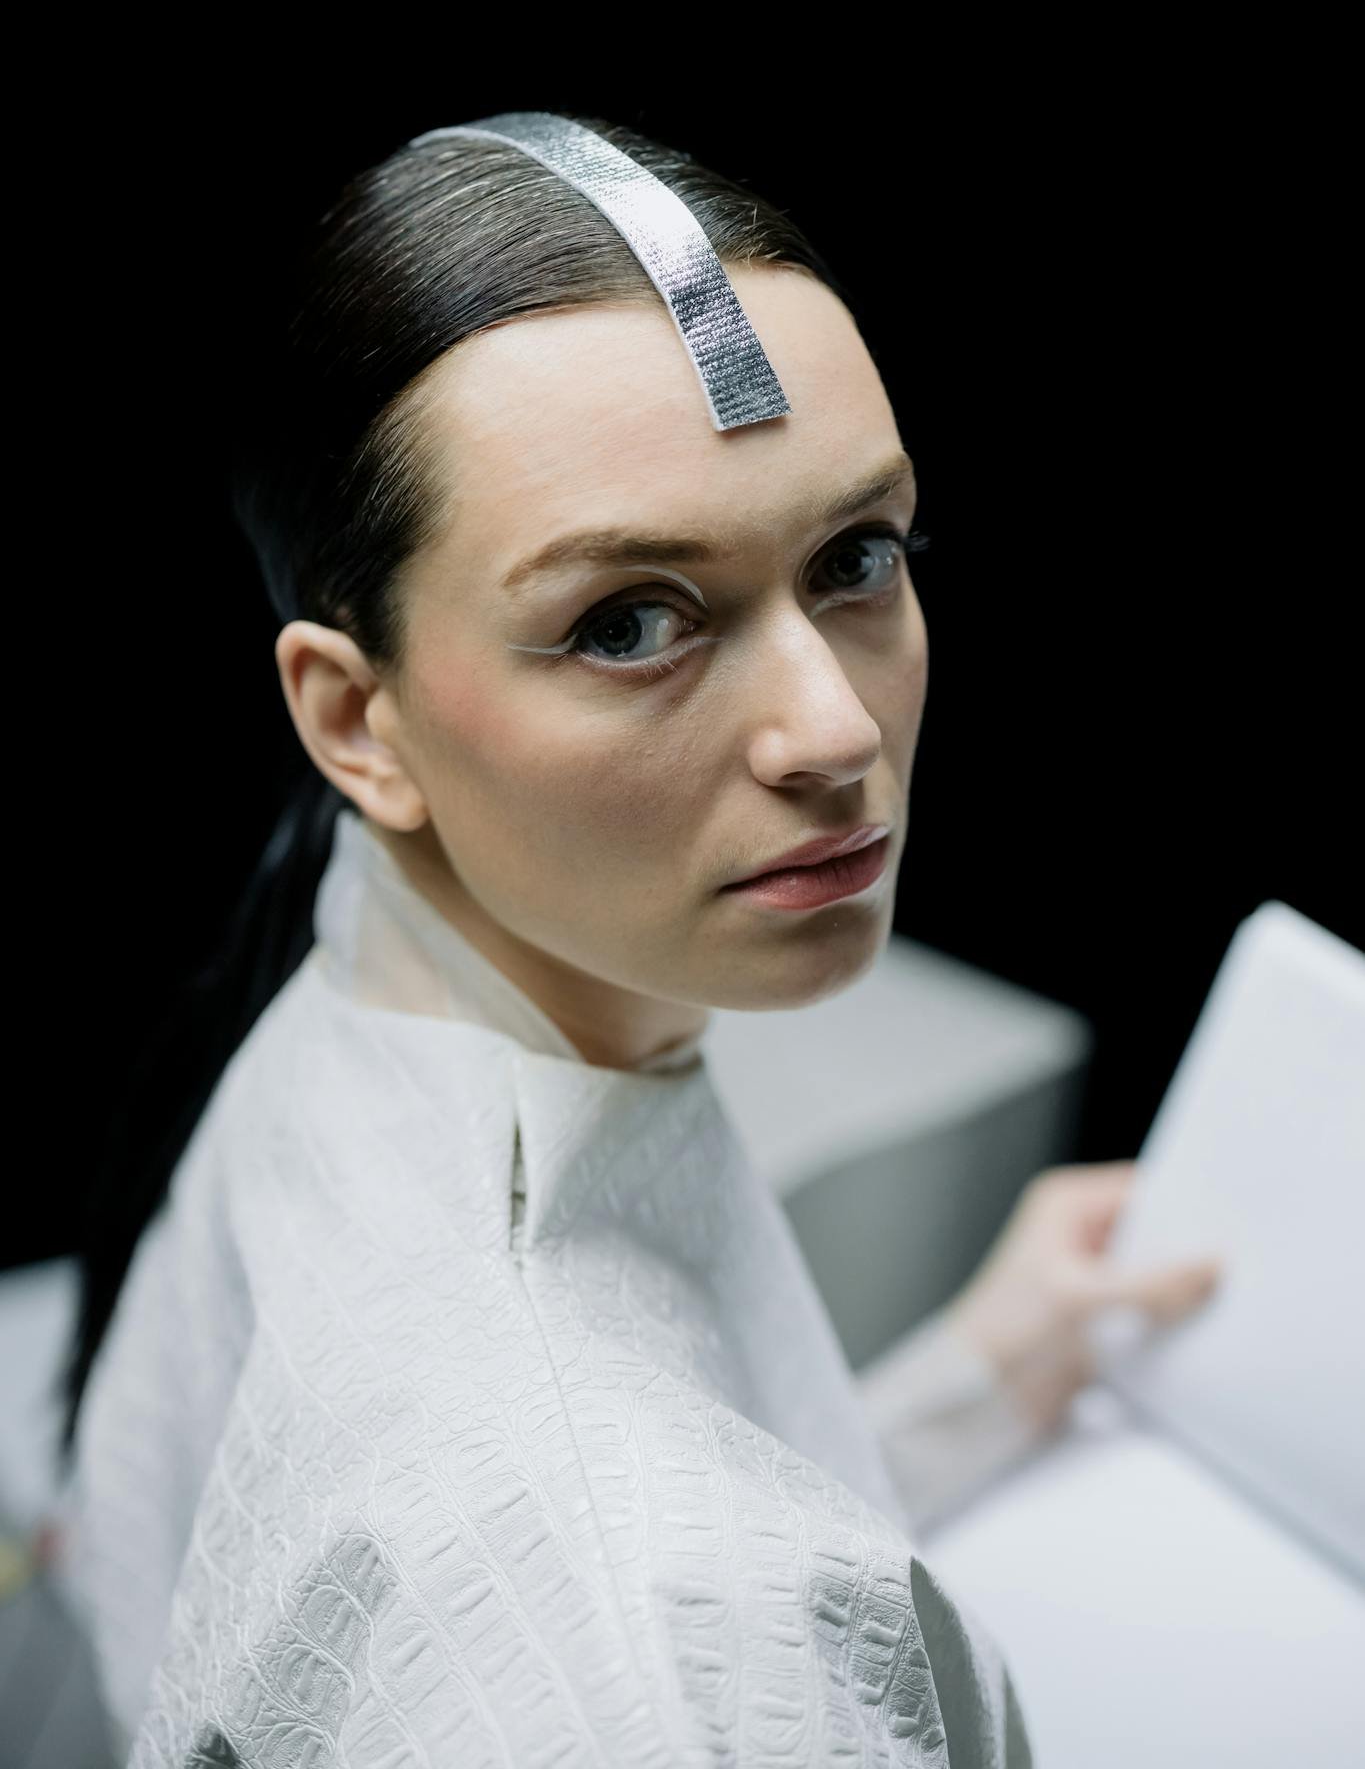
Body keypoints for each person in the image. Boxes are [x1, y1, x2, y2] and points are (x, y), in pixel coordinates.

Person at [52, 113, 1222, 1767]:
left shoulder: (369, 952)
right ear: (353, 719)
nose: (830, 732)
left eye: (855, 557)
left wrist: (964, 1385)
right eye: (626, 622)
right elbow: (616, 1607)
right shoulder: (626, 1638)